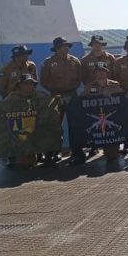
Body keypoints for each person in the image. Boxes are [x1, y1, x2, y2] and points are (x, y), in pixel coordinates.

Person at [40, 36, 84, 165]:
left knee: (75, 124)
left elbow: (79, 79)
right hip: (56, 96)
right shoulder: (48, 62)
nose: (64, 49)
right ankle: (53, 152)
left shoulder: (75, 61)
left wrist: (70, 89)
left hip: (72, 95)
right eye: (61, 47)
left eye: (66, 47)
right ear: (56, 49)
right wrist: (56, 91)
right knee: (54, 125)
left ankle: (77, 151)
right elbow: (44, 81)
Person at [4, 73, 50, 168]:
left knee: (50, 131)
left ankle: (46, 154)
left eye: (31, 83)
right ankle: (12, 157)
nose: (29, 86)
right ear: (19, 86)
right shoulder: (11, 98)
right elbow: (3, 112)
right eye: (26, 83)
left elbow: (49, 111)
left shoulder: (41, 96)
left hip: (36, 127)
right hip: (19, 128)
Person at [82, 63, 124, 161]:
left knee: (112, 155)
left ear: (107, 73)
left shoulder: (115, 84)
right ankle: (94, 148)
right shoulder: (89, 87)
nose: (100, 74)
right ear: (94, 74)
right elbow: (82, 102)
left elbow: (123, 99)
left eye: (103, 71)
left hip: (112, 120)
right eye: (97, 72)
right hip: (94, 119)